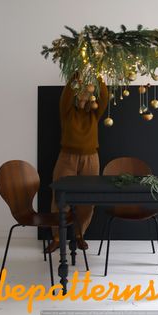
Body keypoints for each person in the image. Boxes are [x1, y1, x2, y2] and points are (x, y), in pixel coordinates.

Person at [46, 75, 108, 253]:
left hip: (91, 158)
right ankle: (57, 237)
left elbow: (104, 96)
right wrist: (76, 77)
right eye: (79, 93)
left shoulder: (94, 113)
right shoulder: (67, 111)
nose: (82, 96)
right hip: (67, 157)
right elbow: (66, 94)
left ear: (91, 96)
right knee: (59, 197)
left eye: (86, 94)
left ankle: (80, 235)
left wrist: (98, 77)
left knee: (88, 200)